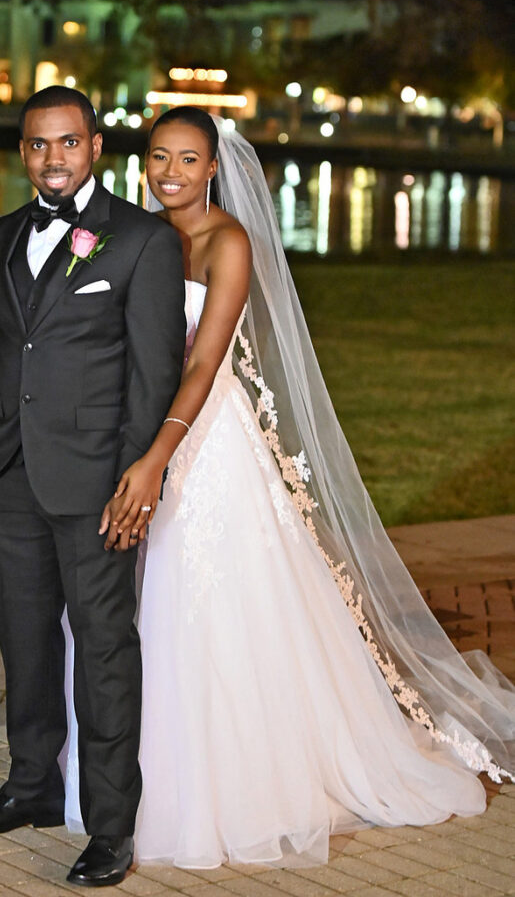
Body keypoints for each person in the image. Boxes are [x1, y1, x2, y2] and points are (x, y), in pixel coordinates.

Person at [63, 106, 514, 869]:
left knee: (204, 605)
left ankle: (229, 783)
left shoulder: (226, 244)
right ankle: (115, 776)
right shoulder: (135, 234)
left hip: (201, 443)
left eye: (186, 159)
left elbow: (204, 366)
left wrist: (157, 458)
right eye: (158, 157)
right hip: (132, 432)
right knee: (123, 606)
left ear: (213, 168)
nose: (170, 172)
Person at [0, 86, 185, 887]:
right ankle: (30, 788)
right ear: (24, 152)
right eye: (38, 144)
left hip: (95, 484)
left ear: (95, 147)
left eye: (68, 143)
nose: (53, 158)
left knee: (104, 650)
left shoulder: (141, 241)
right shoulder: (2, 236)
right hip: (8, 474)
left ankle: (111, 828)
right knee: (24, 639)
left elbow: (154, 375)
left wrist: (134, 474)